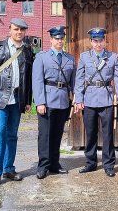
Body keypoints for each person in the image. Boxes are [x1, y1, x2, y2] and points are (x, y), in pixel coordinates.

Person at [0, 18, 33, 188]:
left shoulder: (26, 50)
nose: (19, 32)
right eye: (16, 29)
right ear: (10, 30)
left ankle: (9, 169)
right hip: (0, 99)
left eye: (22, 30)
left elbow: (29, 78)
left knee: (12, 135)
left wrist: (27, 101)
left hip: (17, 101)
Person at [74, 28, 118, 177]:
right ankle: (90, 163)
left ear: (104, 41)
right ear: (91, 42)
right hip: (89, 100)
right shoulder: (84, 57)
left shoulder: (113, 57)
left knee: (108, 134)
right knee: (90, 133)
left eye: (100, 40)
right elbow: (79, 79)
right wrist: (79, 99)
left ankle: (109, 164)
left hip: (107, 99)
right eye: (95, 41)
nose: (98, 44)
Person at [32, 26, 76, 179]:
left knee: (57, 134)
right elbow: (37, 81)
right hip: (47, 100)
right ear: (51, 39)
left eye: (61, 38)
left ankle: (54, 164)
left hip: (63, 101)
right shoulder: (42, 57)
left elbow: (73, 81)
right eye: (56, 38)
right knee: (45, 135)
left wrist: (75, 99)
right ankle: (43, 166)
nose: (59, 41)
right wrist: (40, 102)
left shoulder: (69, 58)